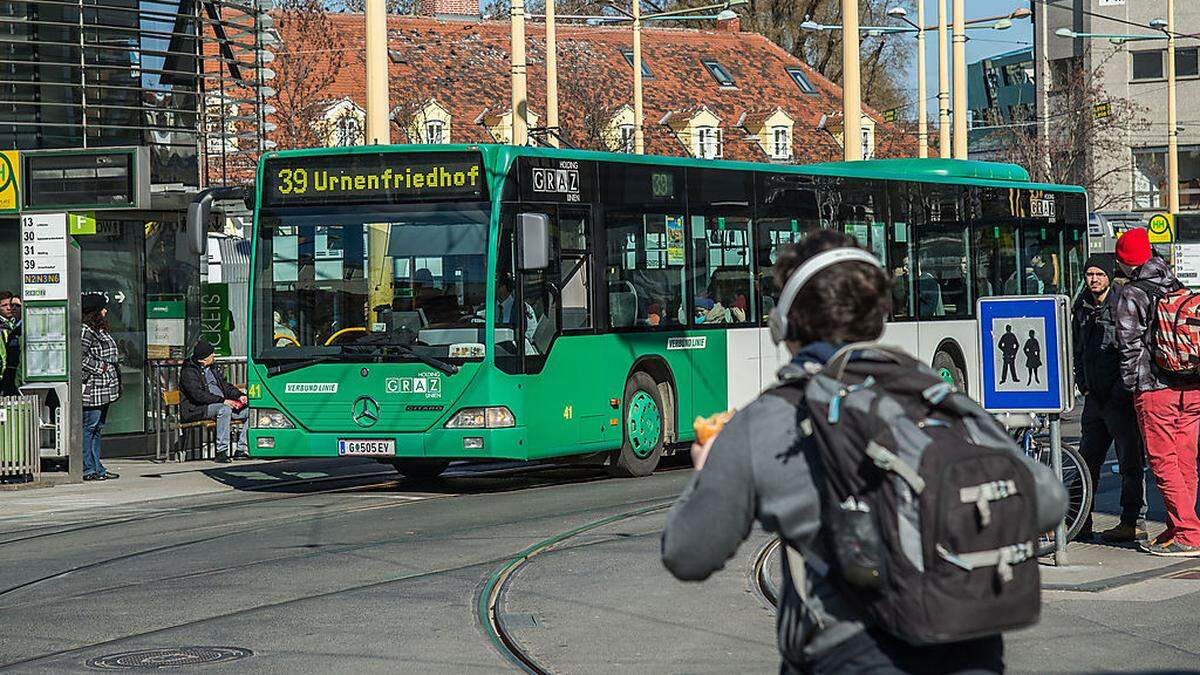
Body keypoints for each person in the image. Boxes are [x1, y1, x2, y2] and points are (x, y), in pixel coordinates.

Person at [662, 231, 1006, 674]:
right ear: (879, 315)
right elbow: (1048, 500)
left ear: (784, 322)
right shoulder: (936, 392)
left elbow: (688, 552)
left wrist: (708, 471)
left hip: (853, 657)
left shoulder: (773, 417)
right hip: (972, 651)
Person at [1115, 227, 1200, 557]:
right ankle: (1179, 525)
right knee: (1185, 460)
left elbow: (1128, 344)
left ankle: (1190, 532)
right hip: (1191, 383)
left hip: (1154, 388)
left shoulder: (1132, 293)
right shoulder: (1176, 283)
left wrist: (1129, 383)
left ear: (1125, 262)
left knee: (1163, 462)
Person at [1072, 253, 1146, 543]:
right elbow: (1077, 350)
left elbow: (1131, 351)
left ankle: (1133, 521)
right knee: (1085, 461)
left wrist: (1121, 390)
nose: (1093, 279)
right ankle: (1081, 522)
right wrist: (1083, 385)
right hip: (1094, 399)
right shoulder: (1081, 307)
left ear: (1108, 275)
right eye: (1089, 274)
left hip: (1120, 398)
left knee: (1130, 462)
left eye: (1098, 274)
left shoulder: (1122, 304)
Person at [180, 339, 248, 464]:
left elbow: (226, 386)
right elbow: (198, 396)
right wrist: (223, 401)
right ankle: (221, 451)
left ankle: (242, 449)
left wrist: (239, 395)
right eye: (212, 354)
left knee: (251, 411)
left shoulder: (212, 368)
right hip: (199, 409)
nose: (214, 356)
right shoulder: (188, 371)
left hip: (222, 403)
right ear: (204, 358)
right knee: (224, 409)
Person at [80, 293, 121, 481]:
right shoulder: (86, 330)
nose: (106, 311)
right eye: (103, 308)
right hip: (94, 387)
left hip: (105, 386)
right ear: (95, 311)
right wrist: (100, 368)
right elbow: (80, 356)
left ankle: (98, 467)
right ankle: (87, 467)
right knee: (90, 426)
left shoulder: (100, 329)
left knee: (98, 428)